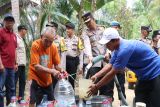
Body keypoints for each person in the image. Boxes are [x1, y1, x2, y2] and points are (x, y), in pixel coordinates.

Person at [88, 28, 160, 107]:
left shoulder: (124, 49)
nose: (106, 46)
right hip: (144, 76)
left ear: (115, 40)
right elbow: (110, 65)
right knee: (139, 100)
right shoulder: (117, 49)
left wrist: (96, 86)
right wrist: (96, 75)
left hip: (156, 72)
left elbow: (112, 73)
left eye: (107, 43)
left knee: (155, 101)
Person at [82, 12, 114, 99]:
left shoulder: (103, 29)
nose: (88, 24)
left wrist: (108, 52)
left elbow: (109, 41)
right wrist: (90, 56)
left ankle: (107, 102)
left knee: (107, 86)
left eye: (89, 22)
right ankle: (94, 102)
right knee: (94, 86)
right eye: (86, 23)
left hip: (106, 61)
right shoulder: (85, 33)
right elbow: (87, 45)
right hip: (94, 62)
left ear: (93, 19)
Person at [28, 27, 61, 107]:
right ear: (41, 36)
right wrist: (52, 71)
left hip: (47, 80)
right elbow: (36, 67)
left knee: (51, 101)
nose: (48, 44)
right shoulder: (35, 45)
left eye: (51, 41)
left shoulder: (53, 47)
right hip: (35, 78)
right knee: (33, 100)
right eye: (46, 40)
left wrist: (61, 70)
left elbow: (57, 64)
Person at [0, 13, 17, 107]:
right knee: (0, 89)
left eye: (11, 20)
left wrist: (16, 63)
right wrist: (0, 64)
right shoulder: (1, 32)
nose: (9, 22)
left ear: (13, 22)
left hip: (11, 67)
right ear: (4, 21)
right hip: (3, 66)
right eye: (7, 20)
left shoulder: (14, 35)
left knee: (11, 89)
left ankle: (10, 105)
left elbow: (14, 50)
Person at [62, 22, 84, 88]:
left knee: (72, 79)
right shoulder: (63, 40)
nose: (67, 30)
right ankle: (65, 96)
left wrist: (81, 65)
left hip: (73, 61)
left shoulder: (78, 39)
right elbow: (62, 54)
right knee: (64, 79)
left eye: (69, 29)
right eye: (66, 29)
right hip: (65, 60)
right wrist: (62, 66)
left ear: (73, 30)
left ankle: (72, 96)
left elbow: (81, 53)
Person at [110, 21, 126, 103]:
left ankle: (122, 102)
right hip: (110, 66)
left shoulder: (121, 40)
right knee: (109, 86)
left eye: (117, 28)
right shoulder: (107, 39)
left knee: (121, 85)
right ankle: (109, 103)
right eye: (115, 27)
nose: (116, 29)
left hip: (119, 66)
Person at [15, 25, 28, 103]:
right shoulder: (16, 38)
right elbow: (14, 51)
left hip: (22, 65)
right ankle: (12, 99)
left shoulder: (22, 39)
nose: (26, 31)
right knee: (15, 81)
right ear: (21, 30)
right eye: (25, 29)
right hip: (17, 64)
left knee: (23, 81)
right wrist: (15, 63)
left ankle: (21, 98)